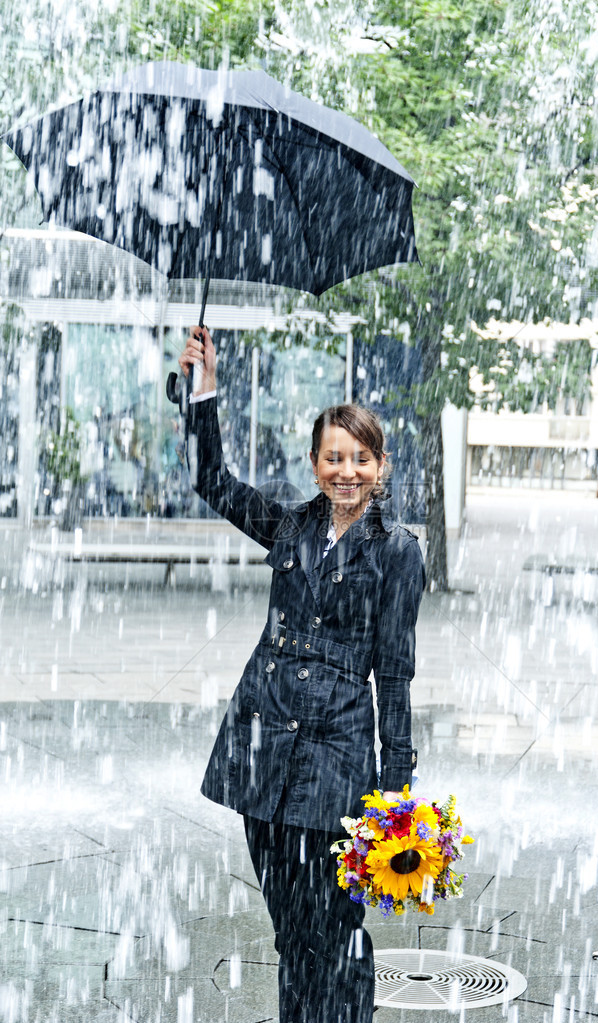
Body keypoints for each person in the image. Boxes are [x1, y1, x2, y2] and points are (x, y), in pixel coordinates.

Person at [178, 327, 426, 1023]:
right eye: (332, 457)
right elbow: (212, 481)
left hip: (337, 758)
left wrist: (395, 783)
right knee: (291, 931)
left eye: (360, 459)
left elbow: (396, 669)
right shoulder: (289, 526)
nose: (346, 471)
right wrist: (203, 390)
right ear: (315, 463)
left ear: (379, 467)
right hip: (262, 752)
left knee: (337, 929)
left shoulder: (397, 552)